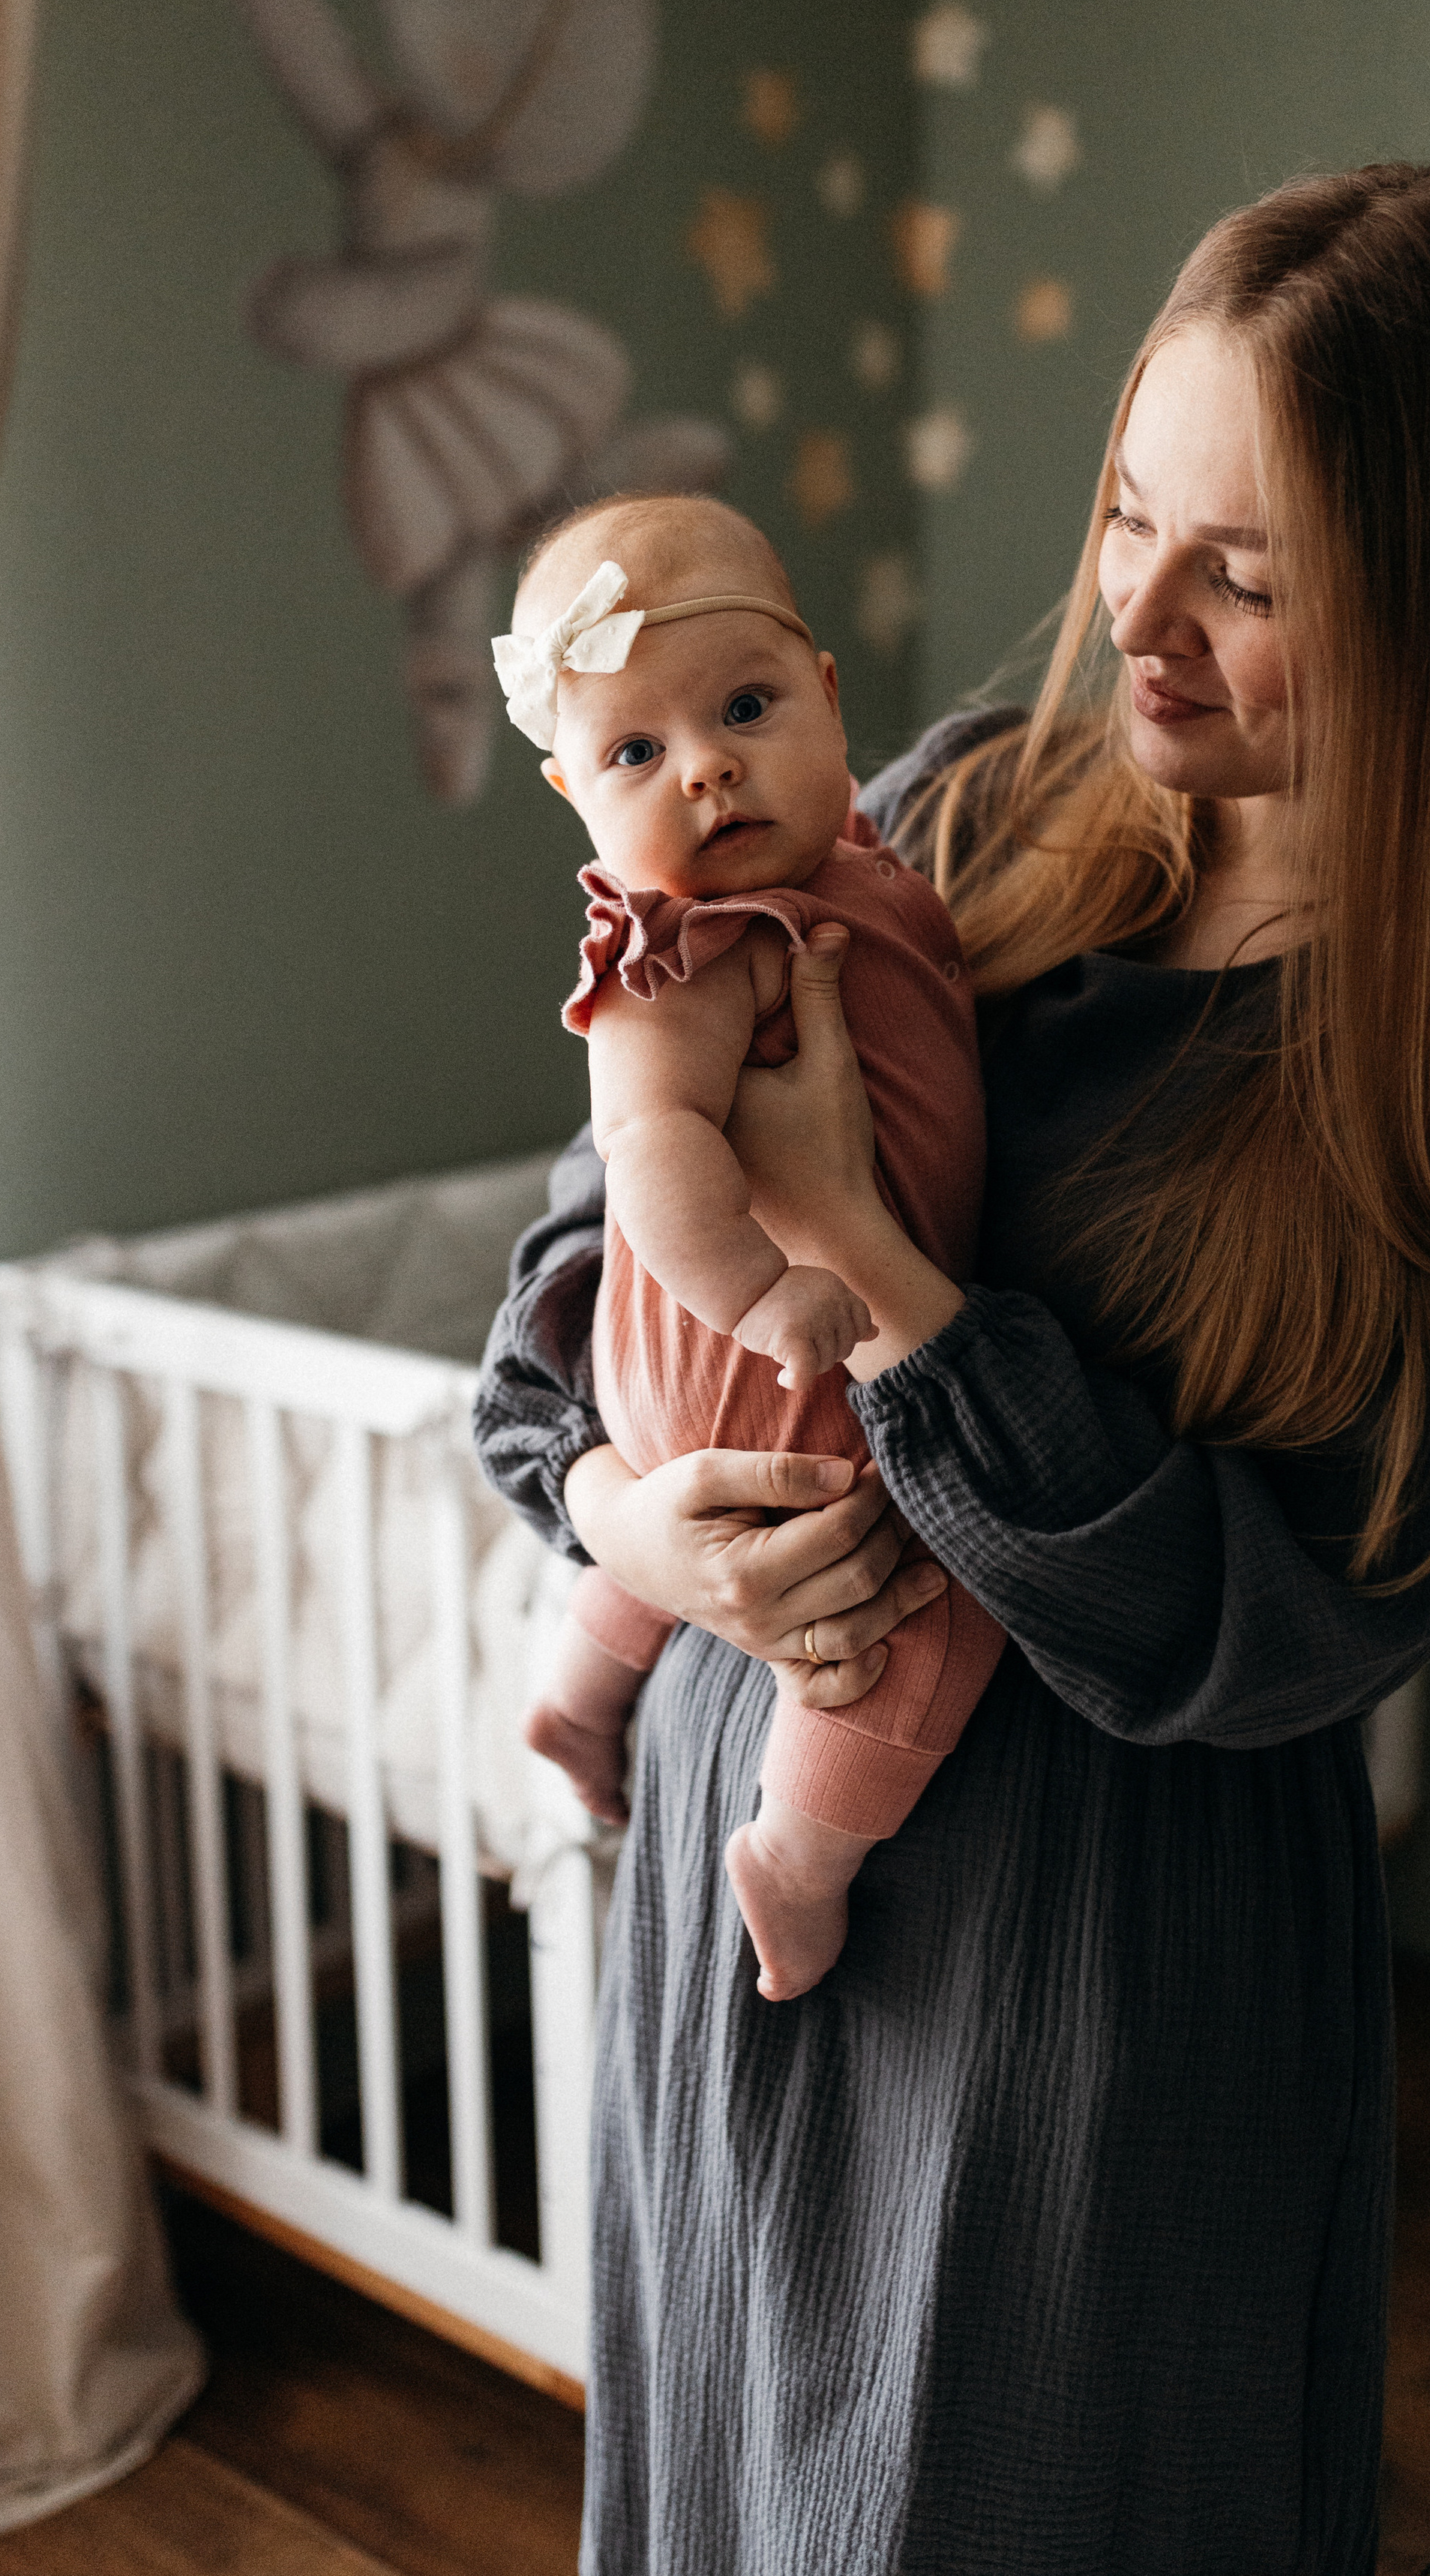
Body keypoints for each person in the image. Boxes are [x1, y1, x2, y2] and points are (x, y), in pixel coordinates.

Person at [475, 164, 1430, 2575]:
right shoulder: (974, 804)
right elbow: (588, 1229)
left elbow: (1277, 1625)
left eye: (1246, 582)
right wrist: (610, 1515)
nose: (1134, 625)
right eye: (1121, 516)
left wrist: (883, 1262)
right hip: (733, 1880)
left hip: (1090, 1992)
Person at [496, 495, 1003, 2001]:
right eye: (636, 753)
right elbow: (647, 1150)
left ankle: (578, 1696)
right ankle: (802, 1848)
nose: (706, 766)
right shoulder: (691, 943)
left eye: (743, 709)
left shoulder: (849, 870)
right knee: (930, 1592)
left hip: (725, 1379)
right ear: (573, 792)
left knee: (674, 1533)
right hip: (768, 1356)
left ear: (829, 699)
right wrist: (762, 1287)